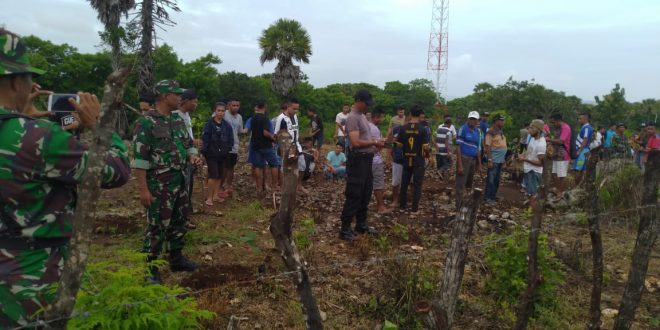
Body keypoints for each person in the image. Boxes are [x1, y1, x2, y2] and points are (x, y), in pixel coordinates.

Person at [0, 28, 131, 327]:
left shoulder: (28, 131)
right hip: (28, 278)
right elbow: (114, 172)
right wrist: (100, 125)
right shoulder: (39, 137)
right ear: (15, 80)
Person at [133, 79, 202, 283]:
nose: (180, 98)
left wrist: (192, 155)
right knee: (157, 225)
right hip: (159, 184)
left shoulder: (178, 120)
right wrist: (143, 190)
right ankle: (150, 267)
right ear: (165, 96)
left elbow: (188, 143)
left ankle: (176, 257)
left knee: (179, 220)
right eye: (176, 94)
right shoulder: (145, 122)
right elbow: (140, 159)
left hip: (180, 180)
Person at [339, 89, 384, 241]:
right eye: (366, 104)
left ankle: (361, 224)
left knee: (365, 193)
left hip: (367, 159)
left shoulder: (362, 116)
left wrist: (376, 145)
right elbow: (355, 142)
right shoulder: (352, 117)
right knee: (354, 193)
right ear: (358, 101)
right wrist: (373, 142)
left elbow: (365, 138)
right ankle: (345, 229)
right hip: (358, 160)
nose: (368, 107)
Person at [397, 105, 430, 214]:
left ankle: (402, 206)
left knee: (404, 183)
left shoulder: (403, 128)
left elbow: (399, 145)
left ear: (410, 114)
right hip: (418, 160)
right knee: (417, 185)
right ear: (420, 115)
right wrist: (428, 156)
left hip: (406, 159)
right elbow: (426, 147)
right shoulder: (423, 129)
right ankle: (414, 209)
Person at [173, 89, 200, 225]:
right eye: (194, 102)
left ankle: (184, 214)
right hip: (178, 159)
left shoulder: (187, 115)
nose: (196, 104)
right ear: (187, 101)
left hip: (189, 156)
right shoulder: (174, 116)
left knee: (187, 186)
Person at [202, 102, 234, 205]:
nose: (220, 113)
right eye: (218, 110)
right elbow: (205, 139)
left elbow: (231, 140)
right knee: (213, 175)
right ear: (215, 111)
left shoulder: (227, 126)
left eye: (222, 111)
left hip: (223, 154)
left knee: (220, 175)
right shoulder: (209, 125)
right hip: (211, 154)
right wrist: (205, 151)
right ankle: (209, 197)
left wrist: (227, 149)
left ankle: (216, 195)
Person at [250, 101, 279, 193]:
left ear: (257, 107)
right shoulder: (265, 118)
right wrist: (273, 138)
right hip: (266, 145)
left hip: (255, 145)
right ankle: (274, 186)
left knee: (258, 166)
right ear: (264, 107)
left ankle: (259, 187)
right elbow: (265, 133)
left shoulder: (253, 119)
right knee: (274, 164)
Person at [455, 111, 482, 207]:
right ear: (468, 119)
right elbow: (458, 147)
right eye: (471, 119)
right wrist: (460, 165)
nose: (473, 121)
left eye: (475, 119)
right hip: (464, 158)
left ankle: (466, 203)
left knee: (469, 184)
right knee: (460, 184)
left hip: (473, 160)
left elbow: (477, 147)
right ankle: (458, 206)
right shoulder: (463, 129)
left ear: (477, 121)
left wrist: (479, 163)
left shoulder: (477, 131)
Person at [518, 119, 546, 206]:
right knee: (530, 193)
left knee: (533, 194)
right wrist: (524, 155)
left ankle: (532, 214)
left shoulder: (541, 144)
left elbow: (540, 163)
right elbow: (529, 151)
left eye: (532, 128)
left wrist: (525, 160)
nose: (529, 130)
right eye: (529, 127)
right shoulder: (533, 139)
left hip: (534, 172)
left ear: (538, 129)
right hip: (529, 169)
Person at [221, 99, 246, 197]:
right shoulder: (223, 114)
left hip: (234, 145)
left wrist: (249, 127)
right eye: (233, 105)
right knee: (223, 166)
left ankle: (228, 185)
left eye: (237, 105)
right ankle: (219, 185)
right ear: (228, 106)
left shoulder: (239, 117)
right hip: (223, 145)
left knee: (231, 167)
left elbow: (240, 130)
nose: (236, 107)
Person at [368, 106, 389, 214]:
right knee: (378, 184)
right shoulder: (374, 129)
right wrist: (382, 143)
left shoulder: (366, 126)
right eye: (381, 117)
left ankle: (366, 205)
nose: (382, 120)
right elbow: (375, 147)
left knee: (368, 184)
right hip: (375, 160)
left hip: (367, 160)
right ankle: (381, 207)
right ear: (376, 117)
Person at [483, 114, 507, 204]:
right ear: (496, 121)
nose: (503, 122)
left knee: (496, 180)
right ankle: (488, 198)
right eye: (501, 120)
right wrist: (489, 159)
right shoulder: (490, 132)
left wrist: (503, 160)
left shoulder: (500, 131)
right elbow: (488, 146)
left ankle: (493, 196)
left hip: (500, 160)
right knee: (491, 180)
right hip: (494, 160)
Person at [547, 113, 572, 199]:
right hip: (557, 153)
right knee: (554, 173)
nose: (553, 124)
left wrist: (549, 139)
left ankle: (560, 192)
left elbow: (561, 141)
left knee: (561, 175)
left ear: (558, 120)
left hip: (563, 154)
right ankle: (557, 189)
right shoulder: (558, 128)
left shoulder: (565, 128)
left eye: (553, 122)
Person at [573, 113, 593, 186]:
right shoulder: (584, 127)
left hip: (582, 152)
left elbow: (585, 139)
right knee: (580, 169)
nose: (579, 120)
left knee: (578, 168)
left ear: (585, 119)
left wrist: (579, 151)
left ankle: (576, 186)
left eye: (580, 119)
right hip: (583, 151)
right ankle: (579, 186)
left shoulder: (587, 128)